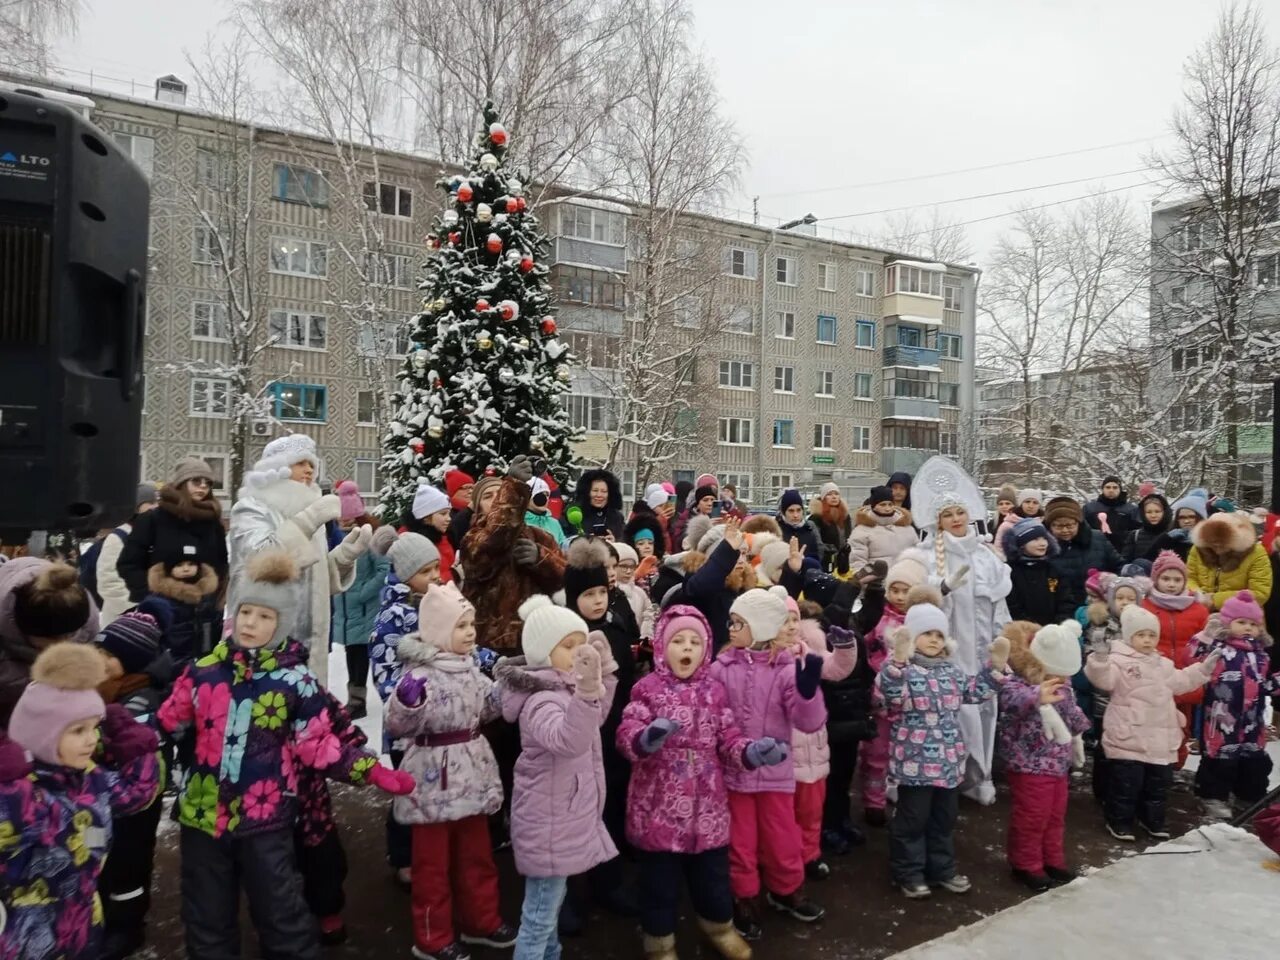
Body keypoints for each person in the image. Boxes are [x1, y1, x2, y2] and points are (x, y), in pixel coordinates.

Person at [157, 549, 413, 960]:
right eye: (245, 613)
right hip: (201, 816)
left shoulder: (294, 683)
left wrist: (371, 771)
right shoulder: (204, 671)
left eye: (264, 616)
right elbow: (168, 721)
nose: (251, 624)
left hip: (267, 820)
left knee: (281, 911)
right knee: (205, 915)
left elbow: (319, 746)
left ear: (281, 623)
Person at [615, 604, 771, 960]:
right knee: (659, 886)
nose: (686, 648)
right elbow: (627, 732)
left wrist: (751, 752)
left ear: (705, 649)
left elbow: (728, 738)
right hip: (658, 809)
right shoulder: (647, 689)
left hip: (708, 810)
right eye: (678, 641)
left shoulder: (714, 691)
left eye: (694, 642)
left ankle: (719, 927)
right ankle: (659, 942)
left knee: (713, 880)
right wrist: (645, 738)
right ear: (661, 646)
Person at [0, 642, 161, 960]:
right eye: (77, 731)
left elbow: (135, 795)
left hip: (84, 928)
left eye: (94, 728)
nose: (91, 739)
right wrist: (9, 784)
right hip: (26, 943)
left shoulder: (92, 779)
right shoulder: (30, 795)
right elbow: (10, 826)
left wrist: (135, 745)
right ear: (42, 734)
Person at [386, 583, 518, 960]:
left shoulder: (470, 669)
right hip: (433, 780)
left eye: (471, 624)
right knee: (432, 867)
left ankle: (482, 920)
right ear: (440, 632)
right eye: (461, 626)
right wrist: (407, 703)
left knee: (477, 856)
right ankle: (433, 936)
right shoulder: (420, 676)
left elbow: (490, 706)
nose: (471, 633)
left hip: (472, 776)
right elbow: (399, 725)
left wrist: (511, 685)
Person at [495, 596, 619, 960]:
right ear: (542, 653)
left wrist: (604, 675)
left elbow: (593, 717)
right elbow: (569, 740)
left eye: (581, 642)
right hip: (549, 821)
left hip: (563, 816)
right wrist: (585, 688)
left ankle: (549, 954)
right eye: (568, 646)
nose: (578, 652)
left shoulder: (563, 689)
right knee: (538, 914)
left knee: (548, 906)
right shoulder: (540, 700)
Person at [894, 456, 1011, 805]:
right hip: (945, 655)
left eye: (960, 512)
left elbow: (999, 607)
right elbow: (916, 608)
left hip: (983, 649)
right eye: (948, 515)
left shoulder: (987, 556)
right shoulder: (924, 556)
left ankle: (980, 776)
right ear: (937, 520)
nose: (957, 519)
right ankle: (947, 774)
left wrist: (1002, 641)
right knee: (951, 713)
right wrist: (940, 588)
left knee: (986, 707)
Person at [712, 587, 826, 940]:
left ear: (759, 627)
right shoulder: (721, 668)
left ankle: (786, 888)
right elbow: (715, 716)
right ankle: (743, 897)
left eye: (738, 623)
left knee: (783, 836)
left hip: (776, 773)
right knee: (741, 840)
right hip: (735, 774)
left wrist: (808, 693)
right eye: (731, 622)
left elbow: (807, 721)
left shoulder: (785, 670)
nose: (730, 628)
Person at [877, 597, 1009, 898]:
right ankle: (908, 873)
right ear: (912, 638)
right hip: (915, 764)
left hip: (948, 763)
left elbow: (975, 692)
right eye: (927, 634)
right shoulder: (903, 671)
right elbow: (890, 695)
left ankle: (942, 869)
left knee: (943, 819)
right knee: (912, 820)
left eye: (939, 635)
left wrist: (995, 668)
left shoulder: (951, 671)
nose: (934, 640)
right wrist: (897, 660)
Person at [228, 435, 374, 684]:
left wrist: (343, 558)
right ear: (277, 467)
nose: (309, 469)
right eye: (300, 463)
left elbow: (311, 580)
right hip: (265, 645)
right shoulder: (252, 507)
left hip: (311, 650)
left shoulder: (308, 516)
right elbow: (261, 560)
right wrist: (308, 520)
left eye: (312, 464)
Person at [1084, 604, 1216, 841]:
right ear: (1129, 636)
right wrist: (1099, 658)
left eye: (1152, 635)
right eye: (1141, 635)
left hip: (1159, 739)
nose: (1147, 640)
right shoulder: (1119, 660)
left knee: (1157, 787)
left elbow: (1181, 681)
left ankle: (1152, 819)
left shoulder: (1162, 664)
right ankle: (1119, 821)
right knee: (1126, 786)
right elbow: (1104, 680)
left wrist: (1203, 669)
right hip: (1129, 736)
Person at [92, 607, 172, 958]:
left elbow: (130, 754)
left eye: (108, 656)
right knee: (104, 863)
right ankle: (105, 919)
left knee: (129, 867)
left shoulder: (140, 699)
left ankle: (128, 927)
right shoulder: (106, 688)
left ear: (131, 663)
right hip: (108, 799)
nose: (99, 659)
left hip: (136, 804)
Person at [996, 620, 1090, 892]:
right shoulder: (1019, 681)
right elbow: (1011, 699)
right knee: (1032, 816)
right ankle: (1026, 863)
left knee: (1054, 814)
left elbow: (1072, 713)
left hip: (1057, 764)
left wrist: (1079, 731)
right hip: (1028, 762)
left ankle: (1052, 860)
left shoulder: (1064, 683)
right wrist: (1037, 694)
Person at [786, 596, 858, 881]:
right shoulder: (771, 658)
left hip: (813, 744)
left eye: (794, 620)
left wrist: (844, 648)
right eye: (784, 621)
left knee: (812, 808)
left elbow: (837, 669)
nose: (791, 626)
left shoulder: (809, 651)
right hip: (786, 749)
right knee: (786, 813)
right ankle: (787, 859)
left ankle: (809, 855)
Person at [1189, 590, 1278, 820]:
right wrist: (1205, 637)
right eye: (1241, 622)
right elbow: (1191, 659)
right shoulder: (1218, 648)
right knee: (1220, 761)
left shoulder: (1261, 656)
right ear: (1228, 623)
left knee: (1253, 761)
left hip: (1251, 722)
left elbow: (1264, 684)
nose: (1248, 627)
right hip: (1221, 719)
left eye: (1252, 623)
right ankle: (1212, 797)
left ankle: (1248, 795)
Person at [0, 557, 99, 727]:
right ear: (22, 629)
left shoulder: (84, 619)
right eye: (50, 640)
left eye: (69, 635)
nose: (60, 647)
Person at [117, 458, 229, 606]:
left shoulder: (212, 522)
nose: (203, 486)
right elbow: (128, 564)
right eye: (196, 481)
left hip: (204, 613)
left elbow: (220, 564)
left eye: (208, 482)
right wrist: (151, 595)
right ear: (181, 483)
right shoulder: (153, 519)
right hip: (163, 610)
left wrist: (213, 596)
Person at [1142, 551, 1209, 767]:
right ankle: (1152, 764)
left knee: (1181, 725)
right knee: (1152, 724)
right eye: (1166, 578)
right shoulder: (1145, 606)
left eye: (1177, 579)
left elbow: (1204, 646)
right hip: (1153, 677)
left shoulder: (1197, 610)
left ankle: (1175, 765)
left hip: (1184, 677)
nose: (1171, 584)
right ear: (1155, 580)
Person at [331, 497, 388, 722]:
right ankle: (353, 698)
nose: (343, 518)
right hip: (344, 608)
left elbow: (383, 569)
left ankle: (358, 701)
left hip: (364, 609)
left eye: (347, 513)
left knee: (361, 654)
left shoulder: (370, 538)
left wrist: (364, 592)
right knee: (350, 653)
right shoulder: (336, 536)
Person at [142, 542, 222, 667]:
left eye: (191, 564)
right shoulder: (158, 601)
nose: (186, 569)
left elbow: (216, 627)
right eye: (179, 565)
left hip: (204, 663)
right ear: (169, 569)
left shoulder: (207, 598)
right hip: (171, 666)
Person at [91, 482, 158, 625]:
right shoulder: (118, 537)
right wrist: (138, 607)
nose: (155, 506)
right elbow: (108, 583)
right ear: (136, 506)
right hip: (123, 620)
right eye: (150, 502)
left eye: (157, 502)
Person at [1044, 496, 1123, 613]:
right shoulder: (1042, 545)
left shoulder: (1097, 538)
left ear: (1079, 523)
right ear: (1050, 526)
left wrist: (1106, 583)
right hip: (1058, 609)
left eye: (1070, 525)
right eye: (1059, 526)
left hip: (1097, 607)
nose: (1065, 530)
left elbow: (1118, 566)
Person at [1187, 510, 1273, 612]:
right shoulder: (1198, 549)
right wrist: (1199, 595)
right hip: (1200, 610)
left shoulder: (1255, 552)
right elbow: (1189, 578)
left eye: (1223, 545)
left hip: (1241, 615)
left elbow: (1260, 593)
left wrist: (1215, 600)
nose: (1217, 550)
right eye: (1213, 545)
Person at [1003, 519, 1073, 626]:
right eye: (1035, 539)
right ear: (1021, 544)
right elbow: (1012, 604)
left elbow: (1066, 599)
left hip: (1054, 631)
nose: (1042, 544)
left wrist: (1058, 624)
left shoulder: (1052, 569)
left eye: (1044, 538)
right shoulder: (1010, 571)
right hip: (1024, 631)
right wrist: (1031, 626)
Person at [847, 485, 915, 575]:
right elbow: (857, 563)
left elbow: (916, 556)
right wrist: (869, 581)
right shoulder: (861, 531)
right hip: (875, 583)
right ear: (874, 506)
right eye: (882, 504)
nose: (887, 508)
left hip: (904, 580)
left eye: (890, 504)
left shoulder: (907, 528)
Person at [402, 480, 457, 583]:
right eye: (443, 514)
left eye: (449, 514)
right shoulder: (414, 544)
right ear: (426, 517)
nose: (449, 518)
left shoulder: (441, 537)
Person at [1084, 477, 1140, 553]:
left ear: (1120, 489)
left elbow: (1137, 532)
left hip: (1123, 550)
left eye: (1115, 487)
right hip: (1095, 550)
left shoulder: (1131, 509)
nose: (1111, 490)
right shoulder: (1090, 508)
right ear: (1103, 489)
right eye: (1108, 487)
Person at [1145, 493, 1207, 562]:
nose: (1186, 521)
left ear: (1200, 518)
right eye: (1182, 517)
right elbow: (1146, 560)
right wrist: (1165, 539)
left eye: (1191, 517)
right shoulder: (1170, 539)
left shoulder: (1209, 540)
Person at [612, 542, 654, 641]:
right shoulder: (608, 593)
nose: (628, 571)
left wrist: (646, 635)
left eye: (632, 567)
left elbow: (649, 614)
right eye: (623, 566)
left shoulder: (639, 592)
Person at [575, 469, 626, 541]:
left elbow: (625, 541)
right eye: (595, 490)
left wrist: (615, 542)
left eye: (604, 491)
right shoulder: (575, 514)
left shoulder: (617, 517)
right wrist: (584, 540)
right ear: (586, 492)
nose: (599, 495)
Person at [775, 490, 823, 565]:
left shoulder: (809, 529)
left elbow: (817, 557)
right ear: (784, 512)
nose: (795, 515)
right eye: (791, 511)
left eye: (798, 510)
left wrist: (806, 562)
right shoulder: (776, 531)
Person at [1125, 493, 1172, 563]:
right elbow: (1125, 562)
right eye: (1149, 512)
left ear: (1164, 512)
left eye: (1157, 511)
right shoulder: (1134, 536)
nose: (1153, 515)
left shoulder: (1172, 534)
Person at [525, 477, 568, 547]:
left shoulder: (554, 523)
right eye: (540, 494)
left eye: (547, 495)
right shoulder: (519, 522)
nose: (545, 499)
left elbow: (563, 547)